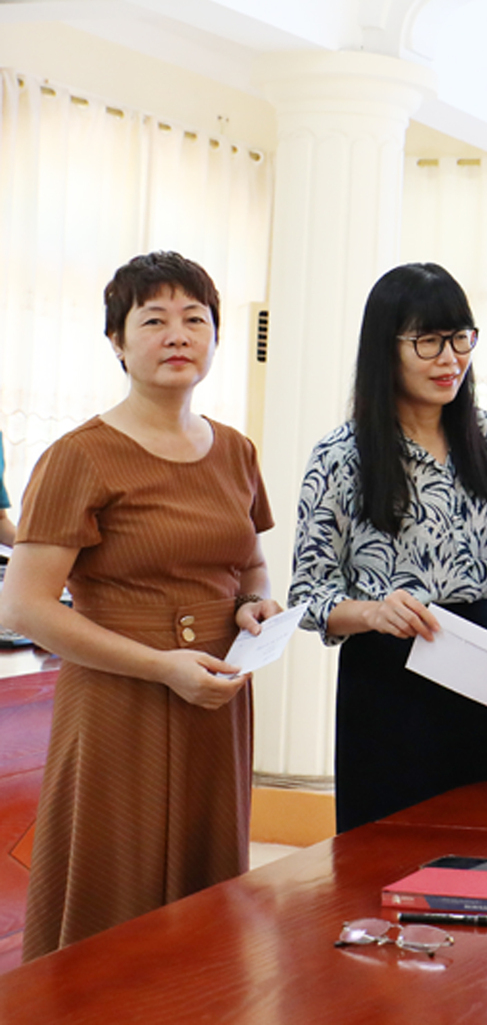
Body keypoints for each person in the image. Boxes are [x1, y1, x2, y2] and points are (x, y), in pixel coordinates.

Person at [0, 252, 280, 959]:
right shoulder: (80, 455)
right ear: (118, 342)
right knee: (113, 891)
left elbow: (249, 562)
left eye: (195, 319)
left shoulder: (237, 451)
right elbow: (24, 607)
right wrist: (160, 667)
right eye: (153, 319)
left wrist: (255, 605)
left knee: (207, 894)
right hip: (120, 699)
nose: (177, 334)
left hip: (214, 696)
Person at [289, 262, 487, 832]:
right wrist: (375, 611)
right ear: (386, 346)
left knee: (483, 859)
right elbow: (308, 595)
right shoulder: (341, 454)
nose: (450, 358)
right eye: (427, 341)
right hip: (389, 677)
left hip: (486, 669)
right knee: (384, 860)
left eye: (460, 338)